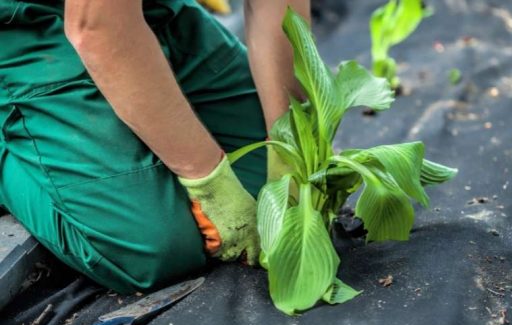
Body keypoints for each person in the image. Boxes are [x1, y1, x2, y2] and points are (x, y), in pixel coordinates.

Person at [0, 0, 309, 293]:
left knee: (260, 184)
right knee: (150, 247)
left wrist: (286, 141)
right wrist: (210, 182)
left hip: (143, 10)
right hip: (22, 28)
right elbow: (97, 27)